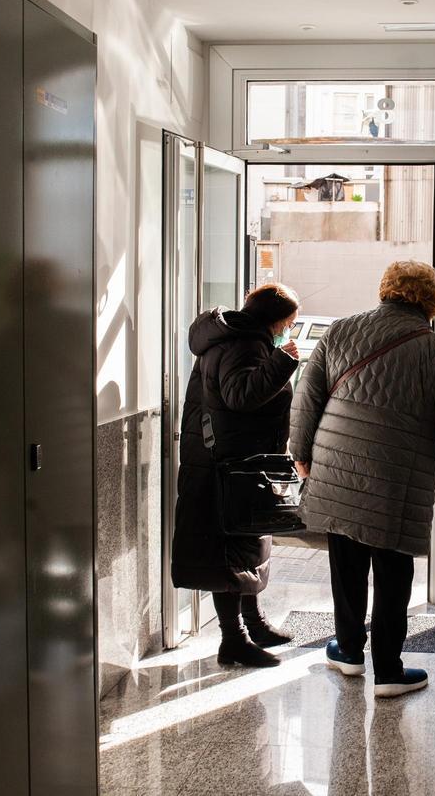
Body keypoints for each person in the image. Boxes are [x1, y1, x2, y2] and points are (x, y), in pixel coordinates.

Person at [290, 261, 435, 697]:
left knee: (347, 566)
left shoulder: (340, 332)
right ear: (432, 302)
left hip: (338, 469)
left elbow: (306, 400)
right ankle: (389, 672)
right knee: (394, 575)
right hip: (399, 480)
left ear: (386, 290)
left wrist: (301, 455)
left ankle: (348, 652)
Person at [171, 284, 302, 668]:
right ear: (274, 320)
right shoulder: (244, 343)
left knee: (246, 548)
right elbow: (240, 395)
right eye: (289, 323)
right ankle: (234, 639)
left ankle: (253, 624)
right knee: (229, 556)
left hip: (233, 463)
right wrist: (282, 362)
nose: (289, 330)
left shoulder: (235, 338)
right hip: (229, 467)